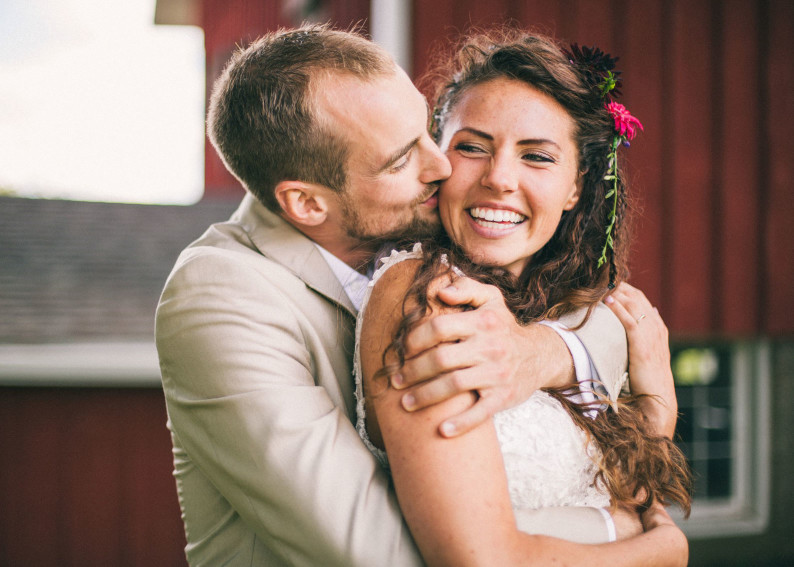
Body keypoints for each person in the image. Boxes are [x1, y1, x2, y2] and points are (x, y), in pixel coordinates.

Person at [155, 24, 632, 567]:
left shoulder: (441, 239)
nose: (445, 166)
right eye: (403, 158)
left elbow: (614, 323)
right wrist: (620, 528)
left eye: (430, 131)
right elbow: (377, 549)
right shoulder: (222, 297)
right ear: (308, 205)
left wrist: (546, 352)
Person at [356, 28, 691, 566]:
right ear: (438, 157)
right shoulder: (424, 296)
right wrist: (663, 552)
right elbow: (479, 560)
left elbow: (627, 495)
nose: (499, 179)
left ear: (576, 187)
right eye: (471, 147)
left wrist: (658, 407)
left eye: (536, 156)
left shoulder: (577, 310)